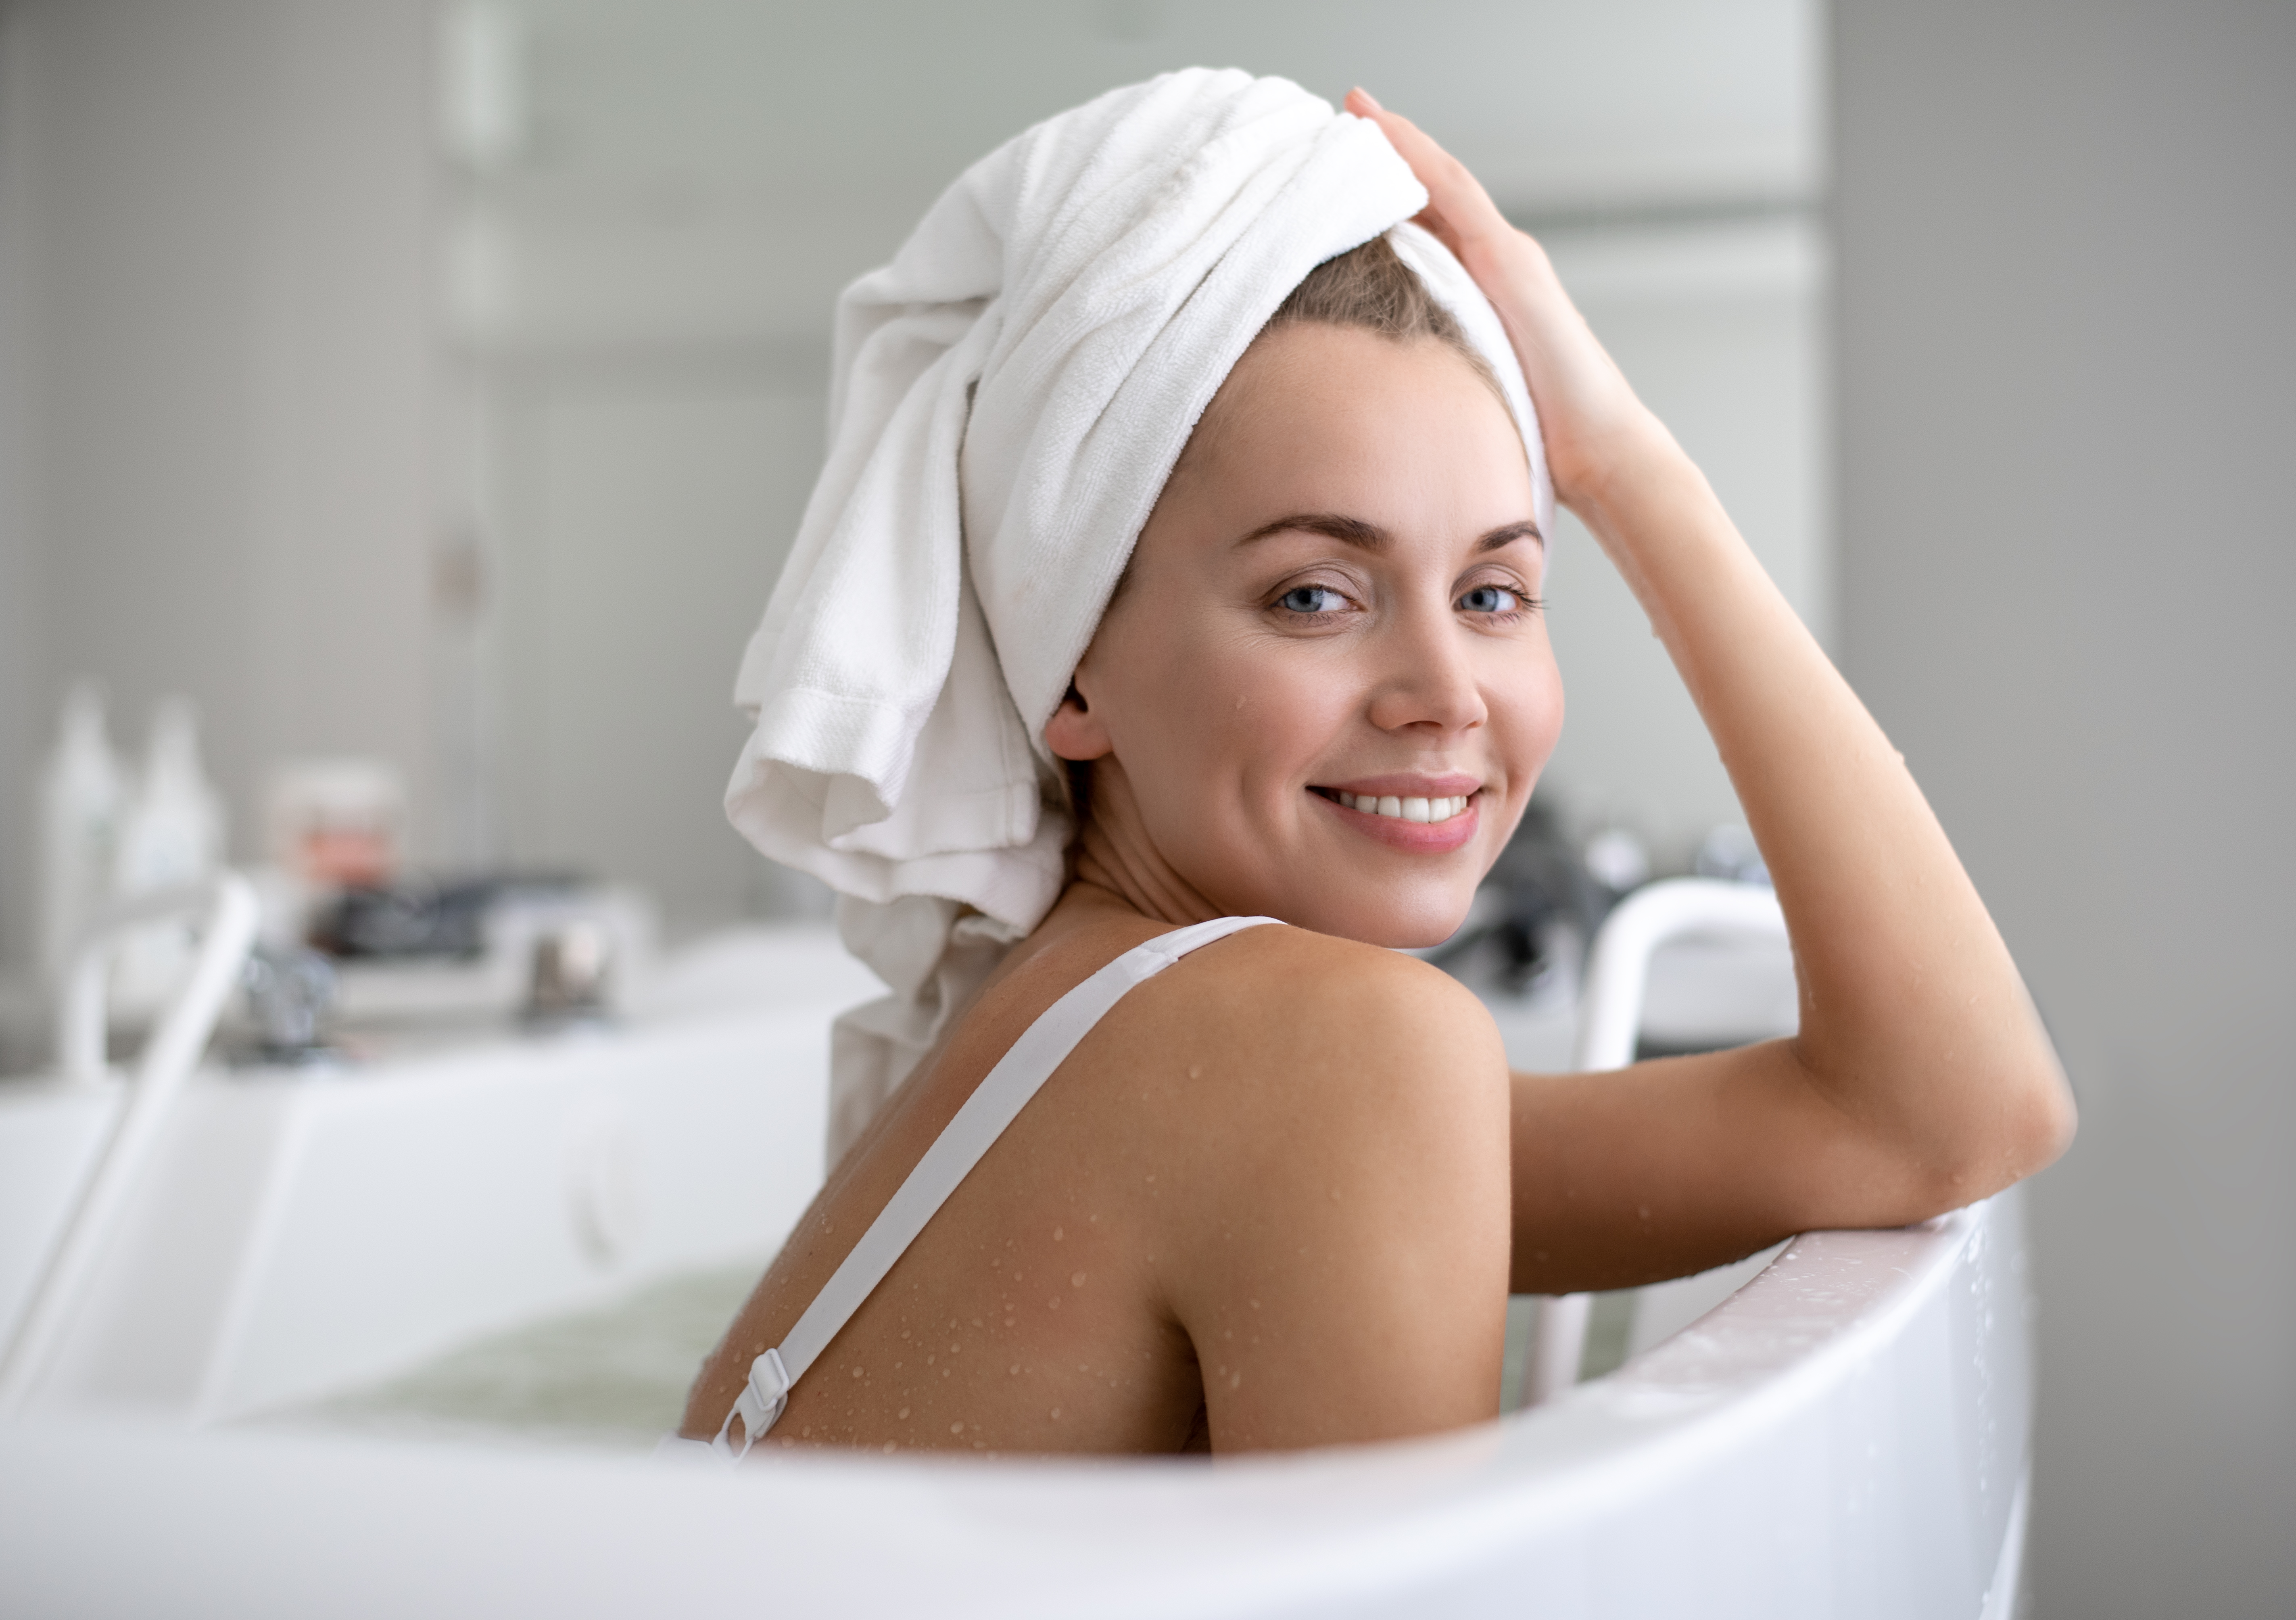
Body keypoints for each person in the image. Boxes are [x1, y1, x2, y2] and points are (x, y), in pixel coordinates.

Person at [677, 79, 2074, 1459]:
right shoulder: (1326, 1053)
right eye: (1315, 596)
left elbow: (1943, 1111)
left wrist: (1617, 459)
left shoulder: (1142, 1050)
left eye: (1493, 592)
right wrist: (1622, 472)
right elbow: (1952, 1111)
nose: (1443, 696)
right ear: (1074, 670)